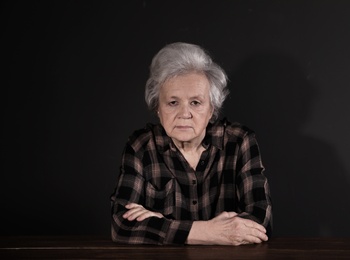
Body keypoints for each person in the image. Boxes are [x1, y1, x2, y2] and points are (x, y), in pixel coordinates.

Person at [110, 42, 272, 245]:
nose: (184, 114)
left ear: (212, 109)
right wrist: (207, 232)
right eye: (173, 102)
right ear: (157, 108)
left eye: (195, 102)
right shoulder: (141, 146)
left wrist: (162, 224)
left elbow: (260, 219)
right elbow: (121, 225)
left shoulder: (239, 141)